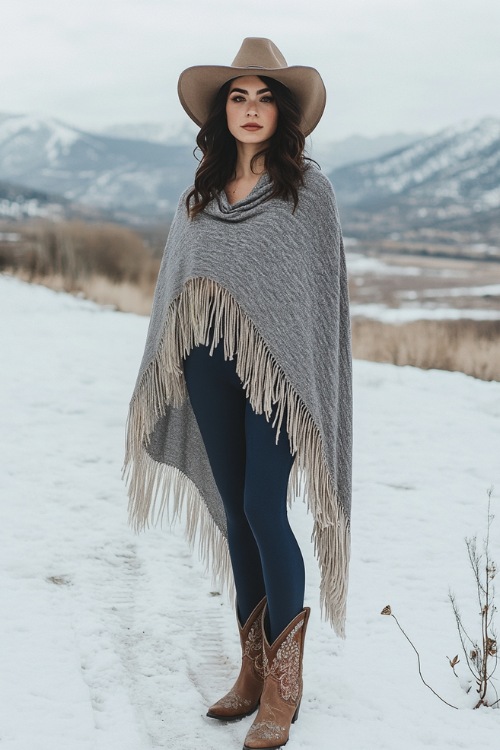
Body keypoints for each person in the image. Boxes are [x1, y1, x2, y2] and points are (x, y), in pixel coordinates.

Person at [123, 37, 352, 750]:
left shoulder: (308, 193)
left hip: (278, 380)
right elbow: (175, 289)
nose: (251, 110)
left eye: (264, 98)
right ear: (222, 112)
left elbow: (316, 303)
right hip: (206, 366)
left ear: (282, 112)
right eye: (238, 97)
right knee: (234, 512)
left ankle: (285, 687)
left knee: (263, 505)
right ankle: (251, 670)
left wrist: (298, 374)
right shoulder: (199, 194)